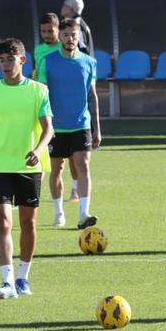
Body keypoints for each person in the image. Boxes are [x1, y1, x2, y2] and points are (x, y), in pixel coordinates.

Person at [0, 38, 54, 299]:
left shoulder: (39, 91)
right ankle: (7, 281)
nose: (6, 65)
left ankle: (23, 277)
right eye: (2, 60)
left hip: (29, 167)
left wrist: (38, 150)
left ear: (23, 60)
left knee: (28, 224)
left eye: (11, 59)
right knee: (3, 221)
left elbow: (49, 129)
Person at [38, 18, 101, 230]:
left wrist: (97, 128)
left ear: (79, 37)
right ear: (60, 37)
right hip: (56, 127)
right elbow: (42, 96)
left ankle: (84, 213)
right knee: (57, 169)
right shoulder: (47, 61)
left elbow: (92, 97)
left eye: (74, 34)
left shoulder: (89, 62)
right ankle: (58, 212)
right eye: (65, 35)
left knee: (83, 166)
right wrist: (45, 125)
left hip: (81, 124)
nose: (70, 38)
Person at [33, 12, 78, 201]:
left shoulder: (66, 47)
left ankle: (76, 187)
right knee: (47, 148)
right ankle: (37, 186)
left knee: (74, 156)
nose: (46, 35)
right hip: (46, 105)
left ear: (58, 31)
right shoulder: (38, 50)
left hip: (67, 105)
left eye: (50, 31)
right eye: (43, 31)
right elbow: (38, 74)